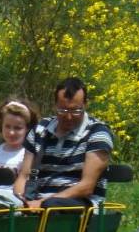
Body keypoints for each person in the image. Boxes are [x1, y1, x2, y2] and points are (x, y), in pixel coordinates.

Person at [13, 77, 113, 209]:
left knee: (52, 205)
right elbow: (24, 176)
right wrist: (21, 202)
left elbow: (87, 187)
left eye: (76, 111)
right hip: (37, 203)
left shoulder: (97, 133)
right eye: (63, 110)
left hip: (78, 207)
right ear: (55, 105)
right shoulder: (40, 130)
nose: (69, 117)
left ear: (85, 104)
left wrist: (42, 204)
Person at [0, 98, 40, 207]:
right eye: (7, 126)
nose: (11, 132)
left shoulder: (28, 155)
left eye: (17, 128)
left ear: (27, 129)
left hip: (12, 201)